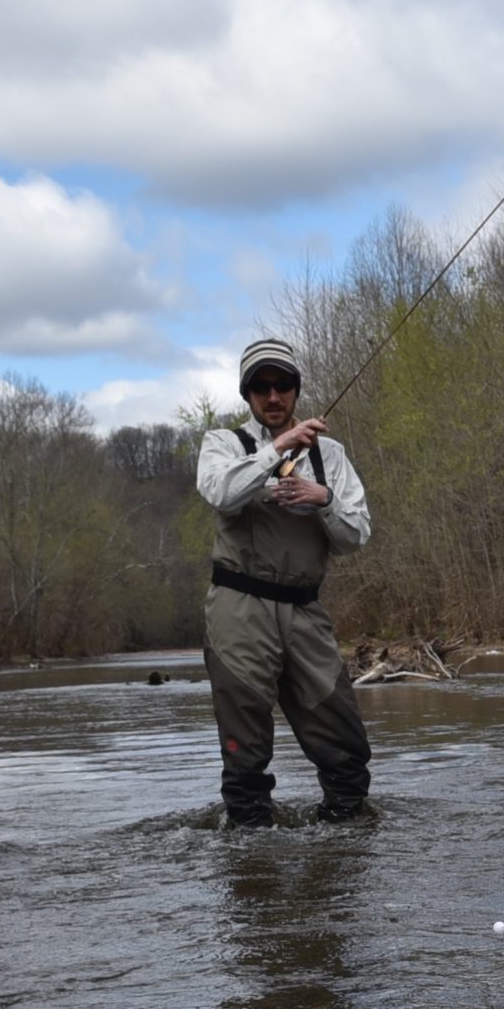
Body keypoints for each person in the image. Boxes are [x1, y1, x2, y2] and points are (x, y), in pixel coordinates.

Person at [195, 338, 373, 827]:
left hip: (305, 611)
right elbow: (221, 495)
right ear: (247, 394)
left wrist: (324, 499)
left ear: (296, 390)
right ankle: (252, 860)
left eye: (283, 386)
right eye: (261, 387)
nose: (273, 397)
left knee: (347, 751)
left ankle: (344, 844)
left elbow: (356, 536)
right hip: (239, 606)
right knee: (245, 754)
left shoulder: (330, 455)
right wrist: (277, 450)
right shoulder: (223, 444)